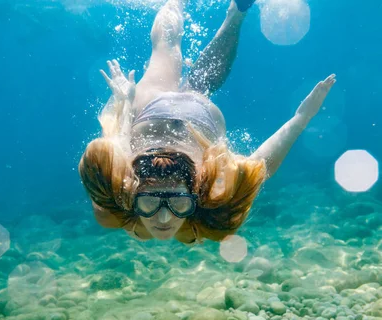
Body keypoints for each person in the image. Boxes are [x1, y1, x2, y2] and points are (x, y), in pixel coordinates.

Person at [79, 0, 335, 244]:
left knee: (170, 54)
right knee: (182, 66)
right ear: (194, 194)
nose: (164, 218)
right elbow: (260, 166)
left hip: (152, 110)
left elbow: (117, 143)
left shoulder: (115, 202)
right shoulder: (212, 198)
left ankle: (233, 14)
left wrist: (123, 104)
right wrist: (301, 118)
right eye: (150, 203)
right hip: (194, 117)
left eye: (177, 203)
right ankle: (235, 13)